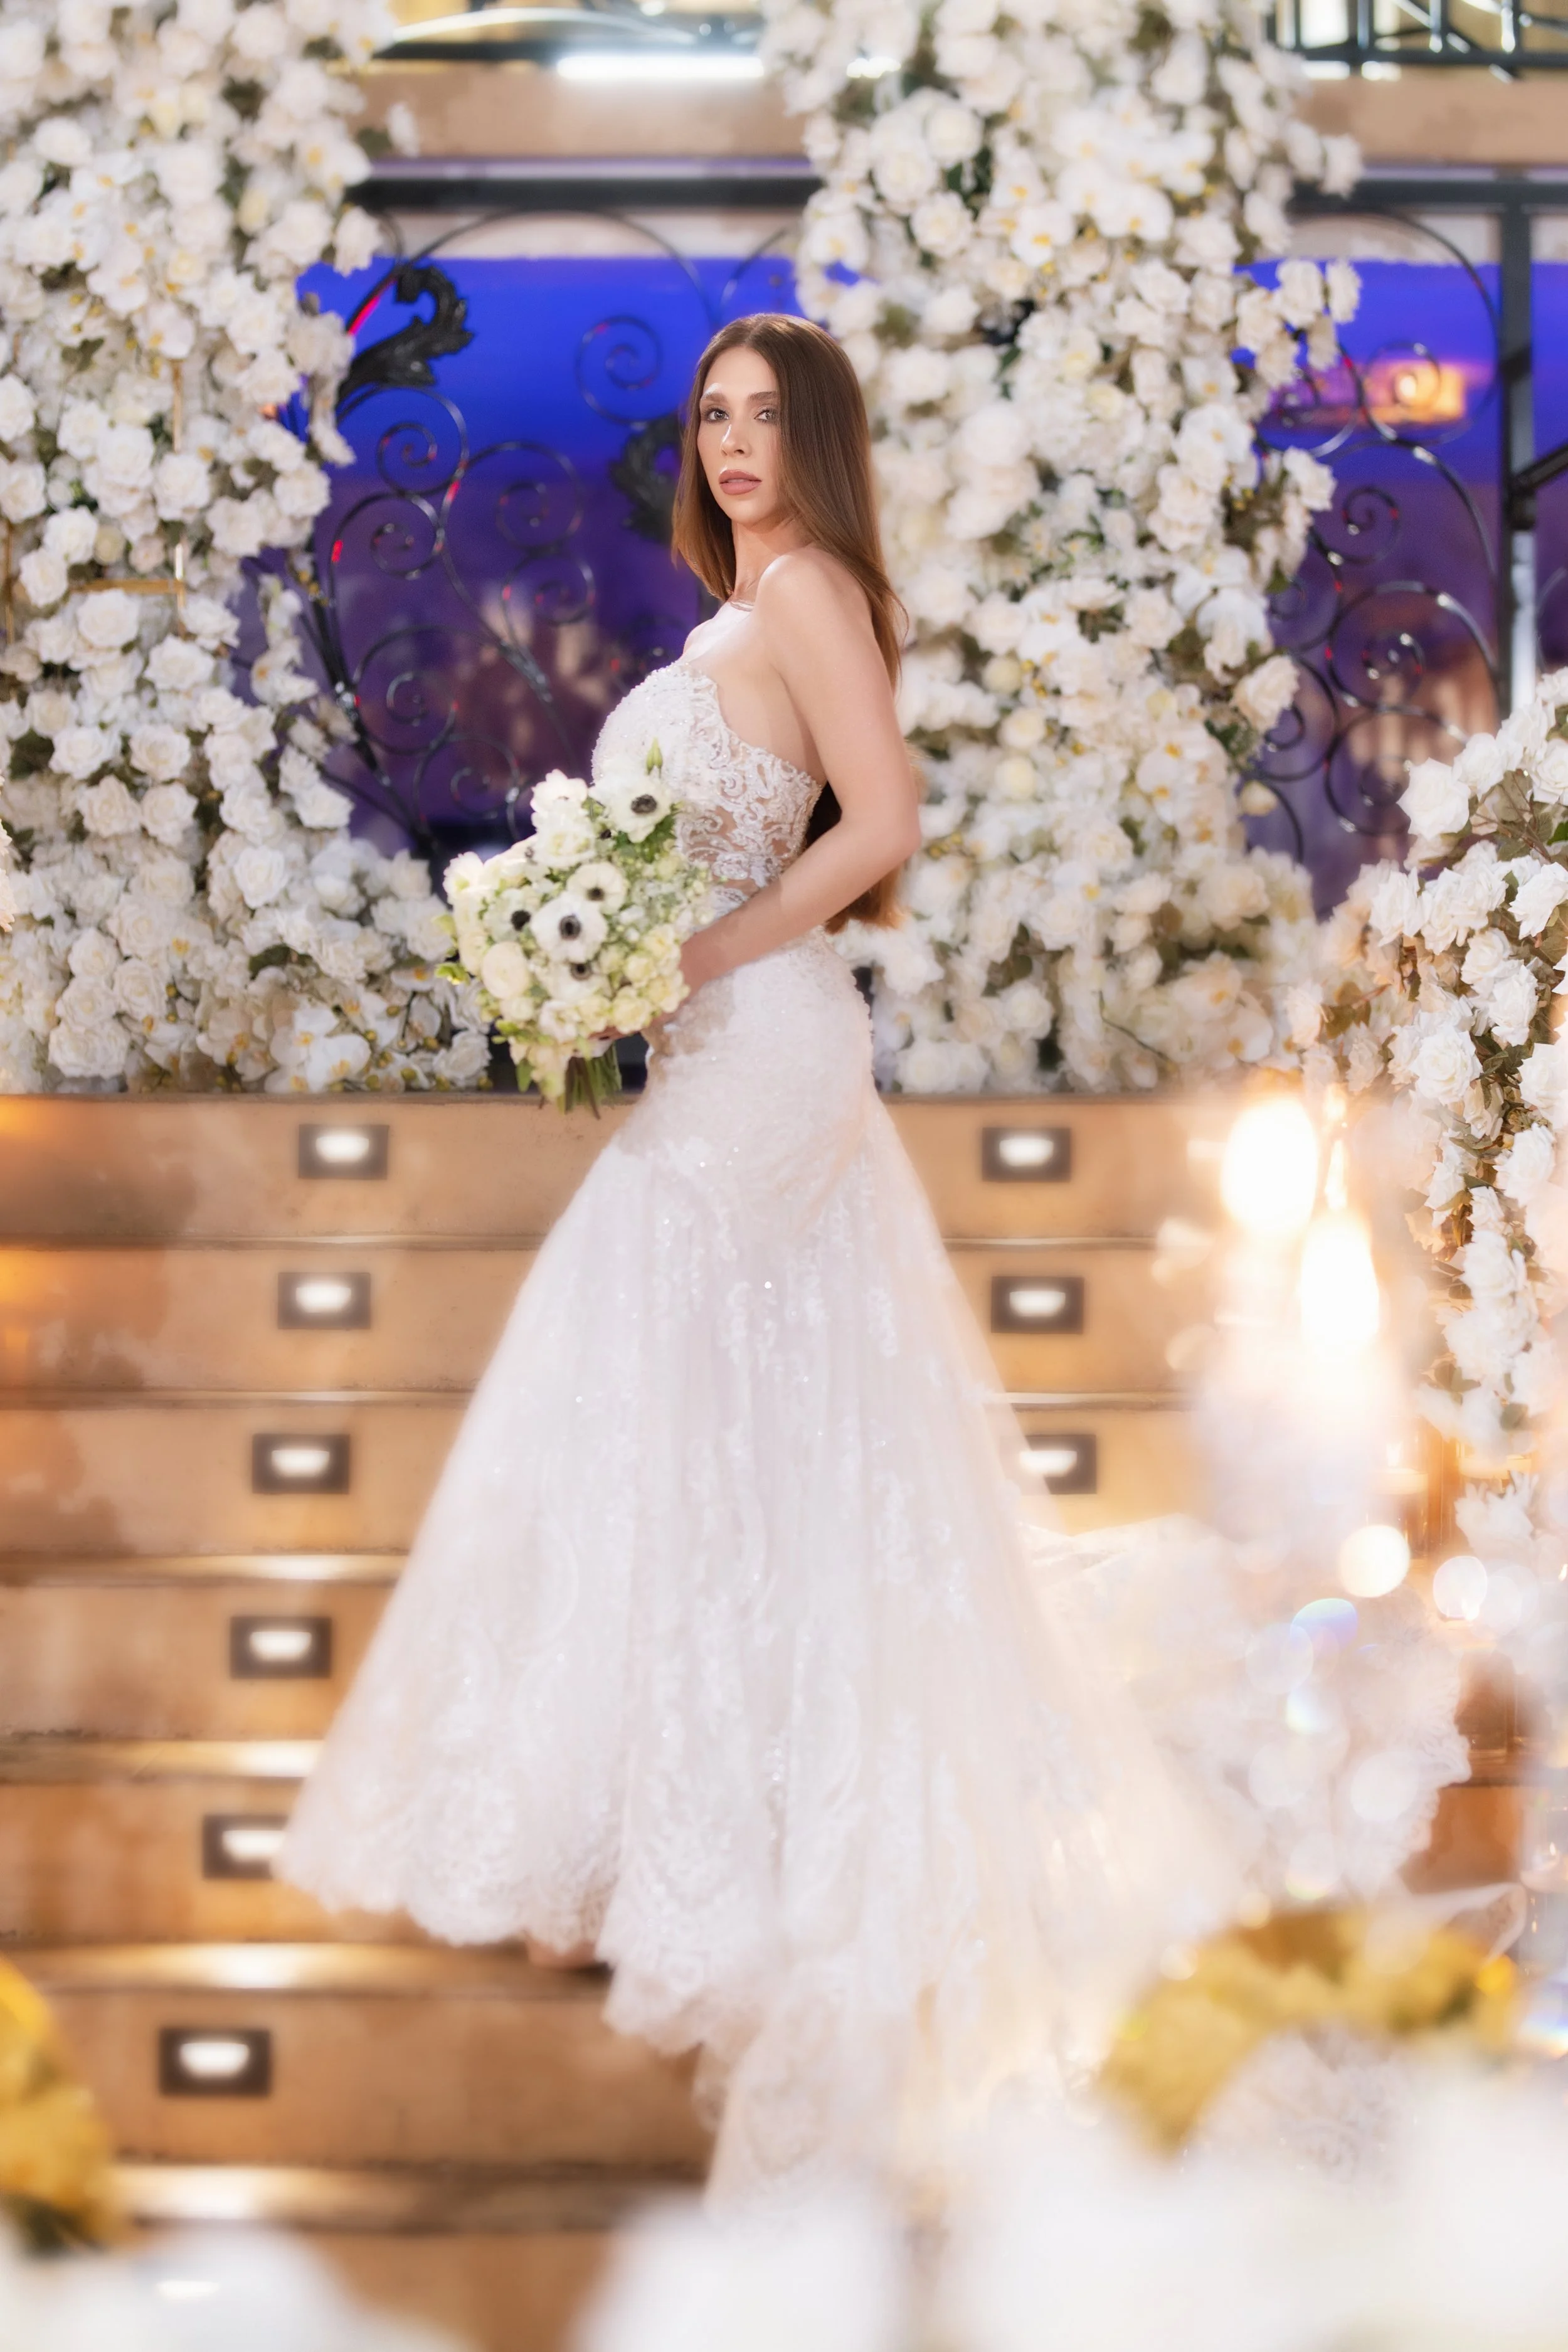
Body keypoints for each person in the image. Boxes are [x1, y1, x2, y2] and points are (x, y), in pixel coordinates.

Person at [280, 314, 1233, 2203]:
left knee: (665, 1356)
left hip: (769, 1038)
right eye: (709, 415)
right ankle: (685, 1828)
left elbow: (879, 825)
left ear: (818, 438)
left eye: (763, 416)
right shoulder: (742, 609)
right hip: (718, 1028)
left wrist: (702, 951)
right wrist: (603, 947)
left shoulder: (808, 592)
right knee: (714, 1400)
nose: (729, 443)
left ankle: (711, 1839)